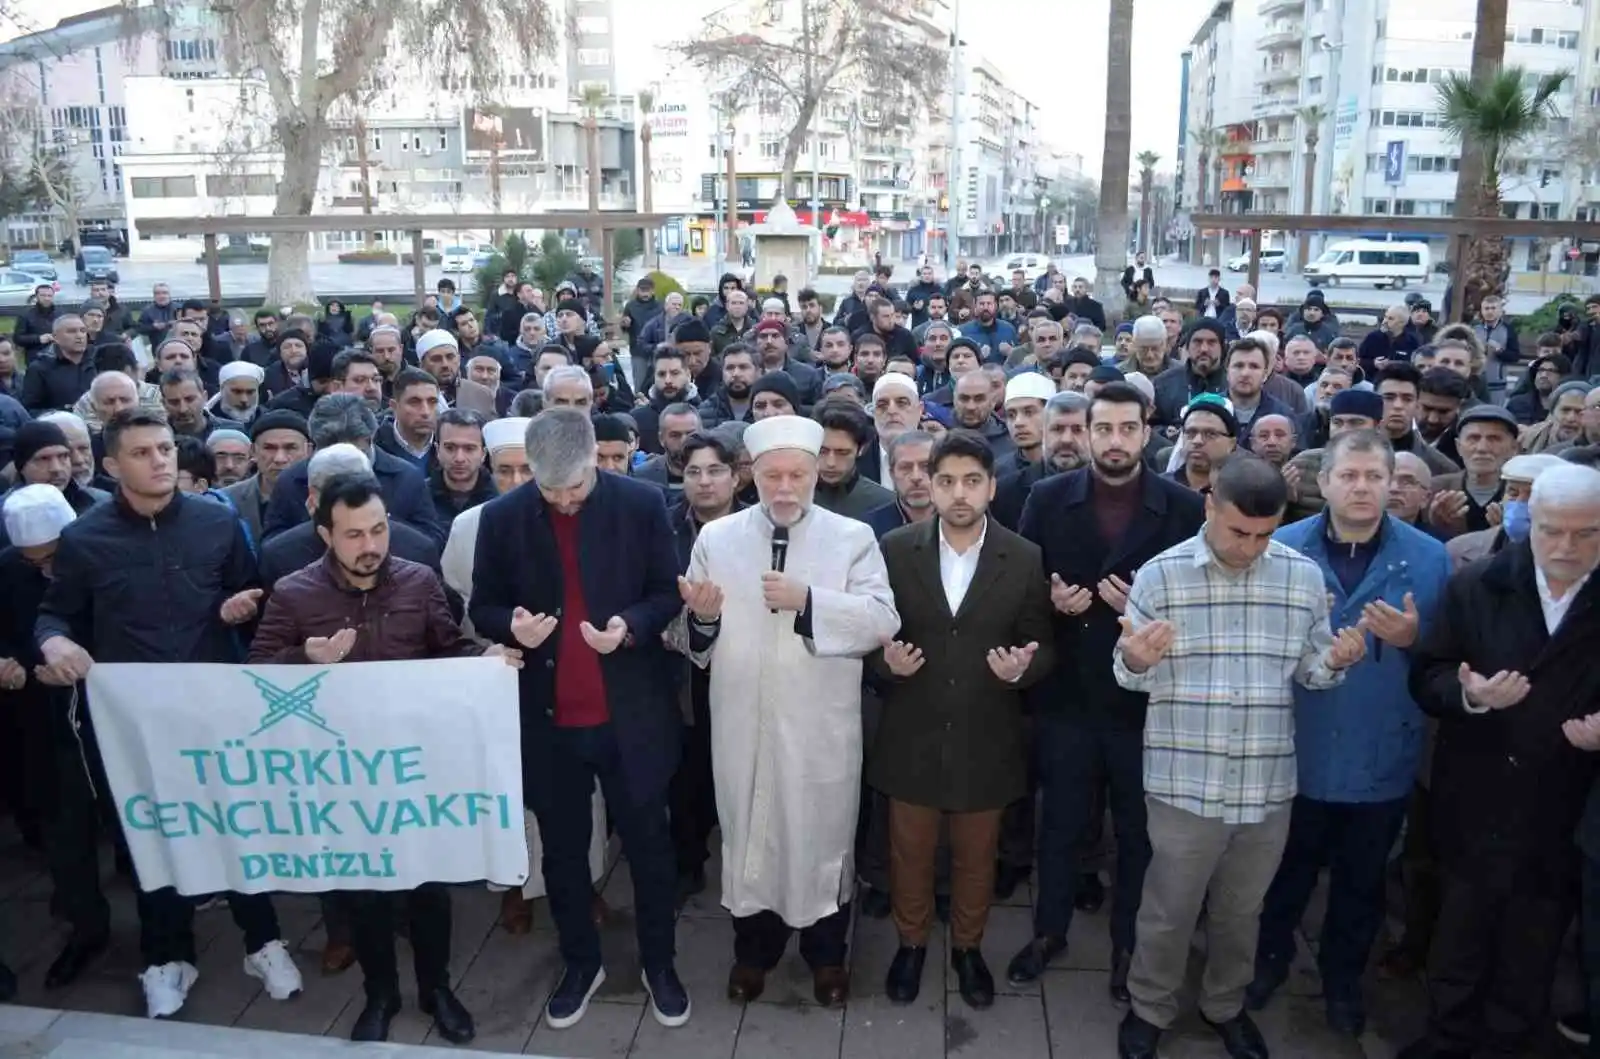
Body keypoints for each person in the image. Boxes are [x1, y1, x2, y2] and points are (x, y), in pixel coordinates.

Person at [31, 408, 304, 1019]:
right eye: (142, 453)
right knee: (153, 834)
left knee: (238, 824)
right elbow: (56, 613)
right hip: (135, 722)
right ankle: (166, 955)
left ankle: (262, 941)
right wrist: (52, 642)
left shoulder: (216, 522)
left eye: (165, 449)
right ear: (108, 465)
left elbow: (258, 597)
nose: (159, 461)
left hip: (215, 707)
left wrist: (244, 607)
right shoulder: (85, 538)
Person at [1114, 454, 1368, 1059]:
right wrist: (1137, 662)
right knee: (1168, 911)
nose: (1251, 547)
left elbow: (1309, 668)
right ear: (1209, 505)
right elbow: (1127, 674)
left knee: (1241, 911)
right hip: (1184, 781)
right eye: (1238, 532)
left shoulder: (1302, 577)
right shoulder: (1161, 576)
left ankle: (1225, 1005)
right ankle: (1150, 1007)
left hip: (1265, 782)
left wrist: (1333, 663)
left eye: (1264, 534)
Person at [250, 473, 519, 1043]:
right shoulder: (295, 593)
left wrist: (488, 656)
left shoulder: (418, 581)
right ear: (326, 534)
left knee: (428, 887)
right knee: (364, 892)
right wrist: (304, 658)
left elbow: (449, 649)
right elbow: (255, 674)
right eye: (353, 535)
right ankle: (381, 995)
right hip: (342, 773)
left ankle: (436, 988)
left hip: (415, 765)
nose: (370, 545)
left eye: (378, 530)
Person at [469, 409, 690, 1030]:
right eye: (550, 489)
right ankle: (579, 963)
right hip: (550, 720)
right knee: (564, 855)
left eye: (576, 487)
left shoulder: (642, 504)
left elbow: (664, 591)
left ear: (598, 458)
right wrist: (508, 624)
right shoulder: (502, 516)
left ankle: (661, 962)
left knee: (649, 848)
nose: (565, 501)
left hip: (630, 714)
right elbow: (481, 603)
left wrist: (630, 627)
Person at [681, 414, 899, 1007]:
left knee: (820, 839)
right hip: (741, 721)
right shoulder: (717, 539)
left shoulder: (850, 538)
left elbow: (883, 620)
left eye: (796, 475)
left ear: (814, 473)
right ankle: (754, 953)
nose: (784, 488)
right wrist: (700, 619)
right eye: (772, 475)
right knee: (751, 835)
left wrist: (810, 602)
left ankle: (827, 958)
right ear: (751, 476)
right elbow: (689, 639)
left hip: (819, 724)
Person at [1248, 430, 1451, 1037]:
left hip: (1379, 753)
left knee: (1361, 887)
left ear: (1393, 484)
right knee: (1285, 873)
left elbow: (1447, 658)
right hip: (1296, 746)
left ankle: (1341, 984)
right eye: (1349, 475)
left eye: (1374, 476)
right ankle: (1268, 963)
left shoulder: (1429, 557)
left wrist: (1416, 641)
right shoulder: (1282, 546)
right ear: (1324, 482)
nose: (1362, 487)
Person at [1010, 382, 1205, 997]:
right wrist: (1050, 599)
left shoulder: (1181, 507)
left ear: (1147, 433)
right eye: (1103, 429)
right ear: (1085, 432)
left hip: (1144, 701)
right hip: (1067, 693)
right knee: (1061, 823)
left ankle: (1128, 946)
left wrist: (1147, 614)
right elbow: (1020, 579)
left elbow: (1198, 604)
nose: (1114, 441)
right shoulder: (1046, 496)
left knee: (1137, 833)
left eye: (1127, 429)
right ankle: (1049, 931)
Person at [1402, 463, 1600, 1059]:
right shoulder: (1477, 586)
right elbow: (1428, 676)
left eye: (1586, 533)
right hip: (1477, 798)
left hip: (1567, 804)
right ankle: (1447, 1039)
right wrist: (1471, 696)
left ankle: (1508, 1041)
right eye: (1551, 530)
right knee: (1458, 936)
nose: (1566, 547)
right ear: (1528, 523)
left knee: (1533, 944)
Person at [870, 430, 1055, 1009]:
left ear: (991, 487)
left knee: (978, 857)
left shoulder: (1022, 557)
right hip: (912, 733)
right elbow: (874, 634)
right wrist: (885, 662)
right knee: (910, 853)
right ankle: (911, 943)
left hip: (987, 734)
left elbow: (1042, 645)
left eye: (971, 481)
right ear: (929, 483)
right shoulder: (897, 548)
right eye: (946, 480)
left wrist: (1022, 669)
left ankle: (968, 950)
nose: (958, 493)